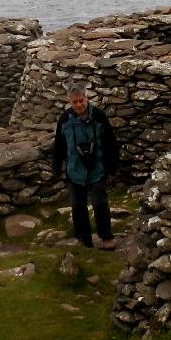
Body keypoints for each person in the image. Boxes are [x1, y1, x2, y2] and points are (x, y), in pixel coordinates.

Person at [51, 86, 120, 248]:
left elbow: (110, 141)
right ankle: (84, 239)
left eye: (81, 101)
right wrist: (56, 166)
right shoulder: (65, 119)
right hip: (74, 170)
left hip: (97, 168)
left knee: (100, 203)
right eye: (74, 102)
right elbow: (59, 145)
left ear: (86, 98)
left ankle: (106, 237)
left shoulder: (98, 116)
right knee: (77, 206)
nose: (79, 105)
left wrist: (112, 166)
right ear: (70, 101)